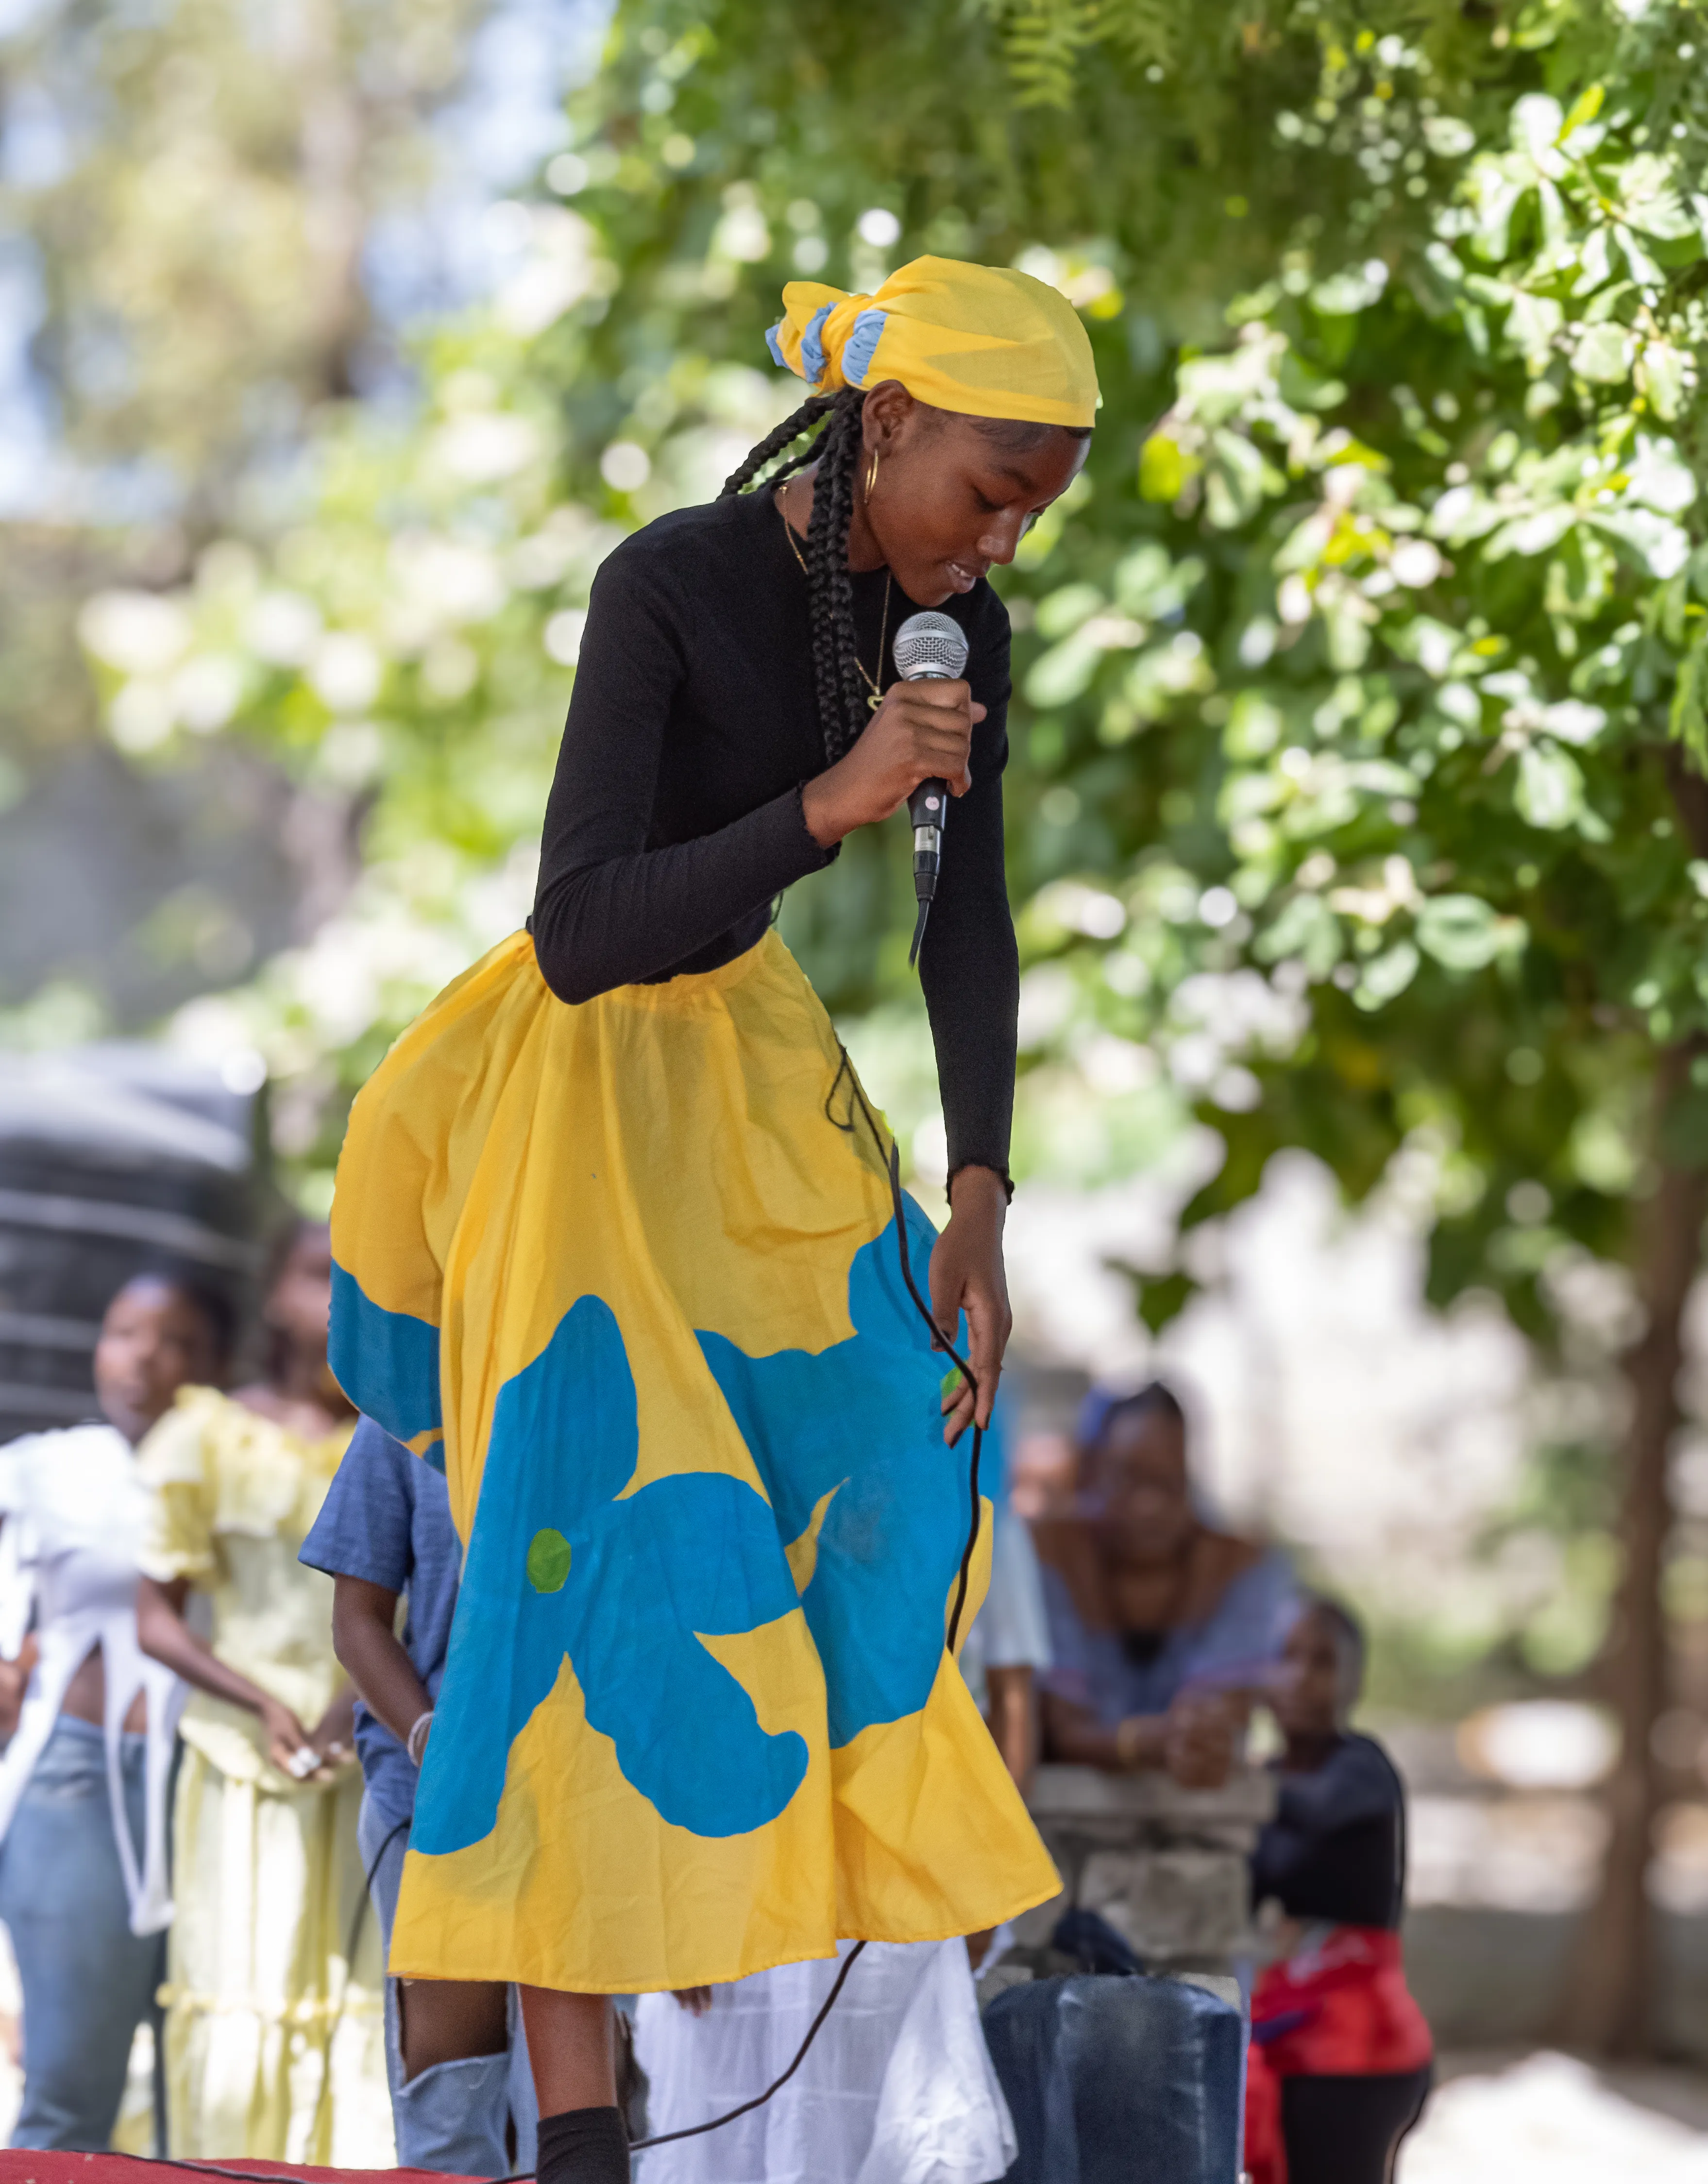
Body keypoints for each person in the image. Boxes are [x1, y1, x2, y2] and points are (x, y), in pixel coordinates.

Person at [326, 254, 1097, 2184]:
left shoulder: (953, 634)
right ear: (886, 422)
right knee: (578, 1549)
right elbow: (583, 928)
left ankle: (797, 1908)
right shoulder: (666, 581)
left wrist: (979, 1194)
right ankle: (579, 2121)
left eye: (1038, 510)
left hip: (745, 1081)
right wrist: (829, 801)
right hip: (577, 1090)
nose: (1004, 540)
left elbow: (967, 916)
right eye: (991, 490)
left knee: (893, 1445)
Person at [631, 1405, 1049, 2184]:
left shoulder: (938, 1519)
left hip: (887, 1876)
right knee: (725, 2126)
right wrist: (674, 1898)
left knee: (871, 2114)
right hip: (734, 1884)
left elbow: (969, 1721)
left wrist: (977, 1889)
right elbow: (674, 1711)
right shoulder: (711, 1516)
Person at [135, 1218, 392, 2163]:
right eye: (319, 1274)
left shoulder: (397, 1439)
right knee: (236, 1978)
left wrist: (354, 1702)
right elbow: (155, 1617)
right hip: (238, 1762)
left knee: (359, 1993)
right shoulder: (206, 1430)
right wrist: (264, 1704)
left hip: (367, 1753)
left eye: (359, 1276)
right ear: (275, 1293)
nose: (337, 1296)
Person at [0, 1271, 228, 2149]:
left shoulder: (247, 1465)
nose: (143, 1359)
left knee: (205, 2104)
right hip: (78, 1783)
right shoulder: (44, 1467)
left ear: (217, 1365)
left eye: (176, 1342)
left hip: (221, 1791)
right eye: (124, 1332)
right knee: (68, 2095)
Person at [300, 1413, 538, 2175]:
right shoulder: (402, 1403)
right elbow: (357, 1620)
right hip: (432, 1802)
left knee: (585, 2112)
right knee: (450, 2107)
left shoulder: (620, 1376)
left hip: (594, 1802)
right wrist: (430, 1741)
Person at [1243, 1597, 1433, 2184]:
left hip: (1360, 2053)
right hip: (1290, 2040)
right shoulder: (1265, 1784)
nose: (1300, 1677)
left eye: (1322, 1662)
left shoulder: (1361, 1768)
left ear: (1354, 1681)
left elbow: (1320, 1808)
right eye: (1284, 1658)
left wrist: (1227, 1776)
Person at [1034, 1382, 1295, 1786]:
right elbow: (1060, 1729)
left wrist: (1192, 1739)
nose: (1149, 1505)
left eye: (1168, 1483)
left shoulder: (1243, 1567)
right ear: (1091, 1474)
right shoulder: (1048, 1553)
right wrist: (1148, 1742)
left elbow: (1217, 1726)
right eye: (1129, 1479)